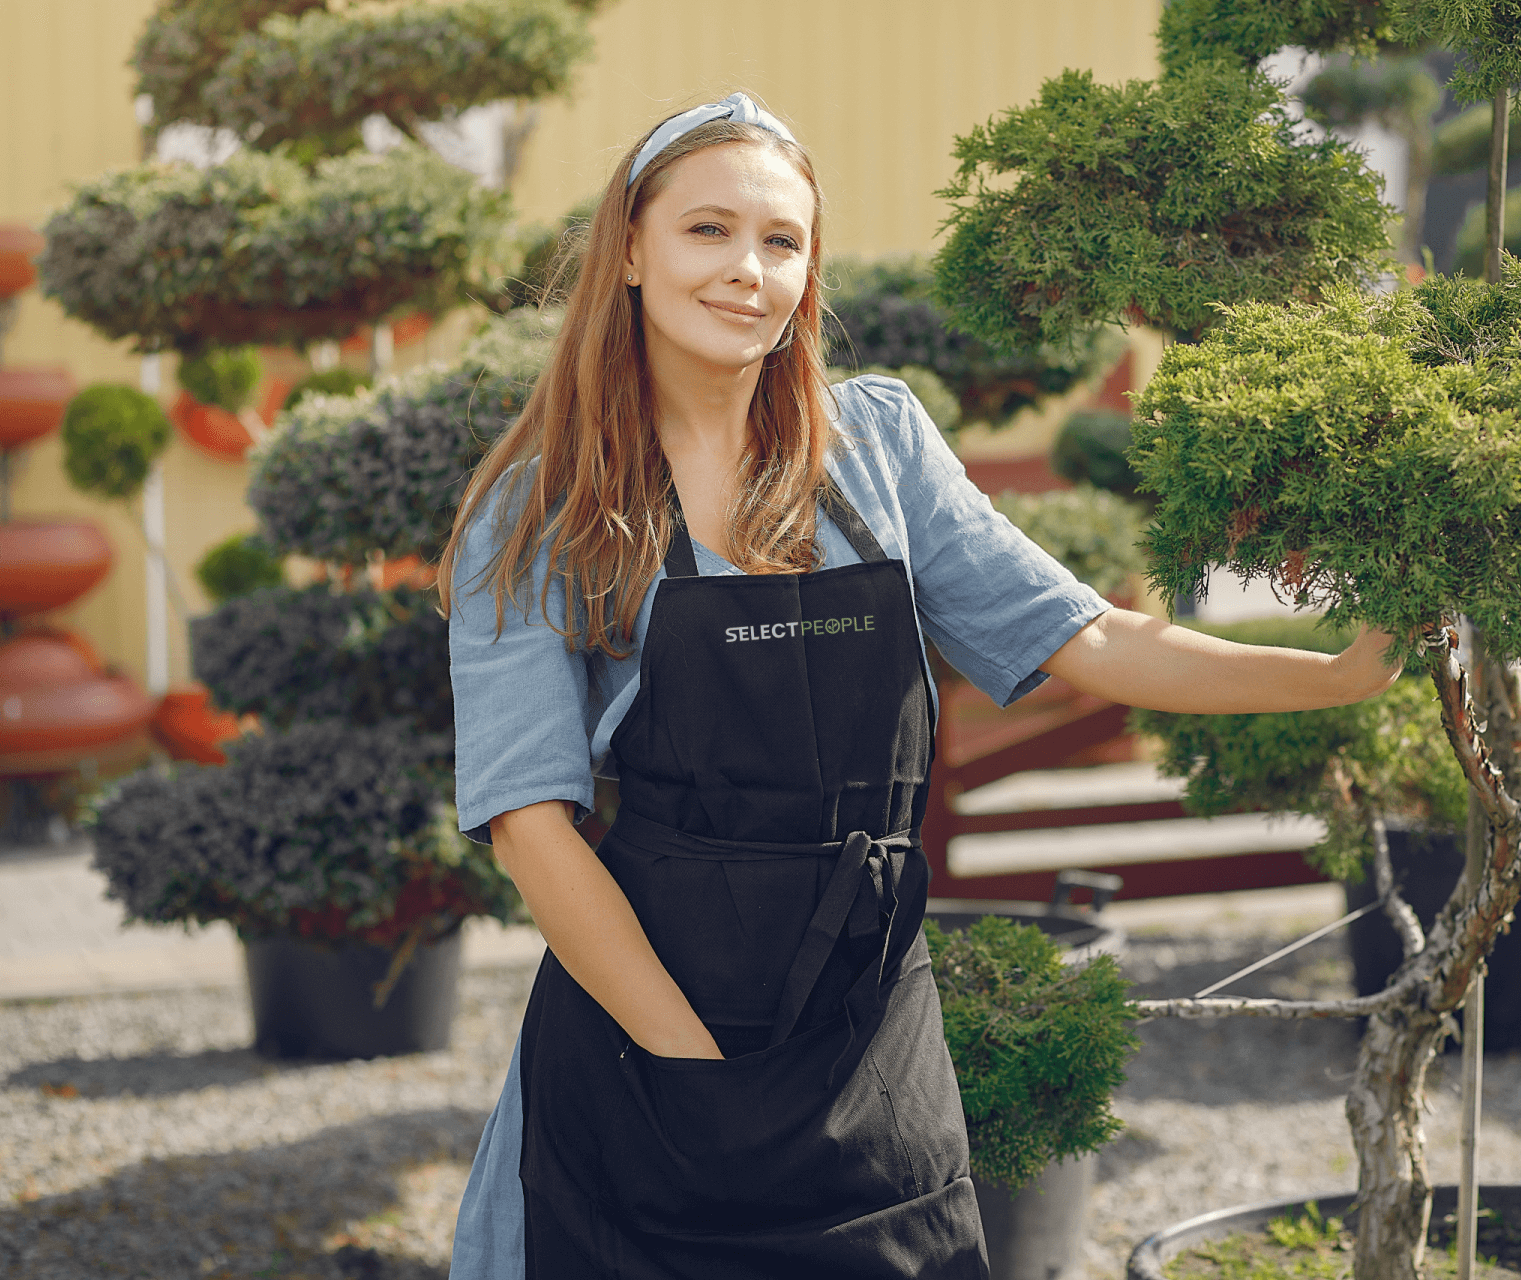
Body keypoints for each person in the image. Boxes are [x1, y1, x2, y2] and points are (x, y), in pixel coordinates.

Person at [440, 93, 1403, 1280]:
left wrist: (1339, 670)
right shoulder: (540, 511)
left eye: (782, 240)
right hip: (648, 1041)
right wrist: (690, 1065)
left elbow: (1089, 636)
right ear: (630, 250)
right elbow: (532, 828)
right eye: (709, 231)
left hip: (866, 1023)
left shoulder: (876, 449)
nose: (749, 268)